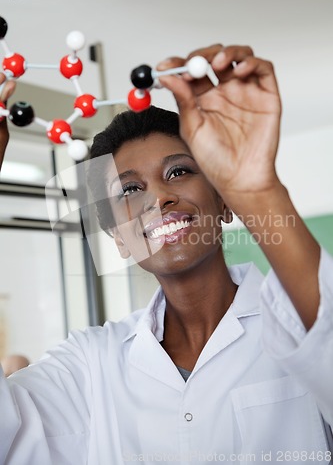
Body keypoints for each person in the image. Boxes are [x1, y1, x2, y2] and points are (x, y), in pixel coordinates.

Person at [0, 44, 332, 464]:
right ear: (119, 238)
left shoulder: (296, 321)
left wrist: (257, 188)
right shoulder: (90, 364)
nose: (159, 198)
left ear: (224, 200)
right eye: (130, 190)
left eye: (179, 171)